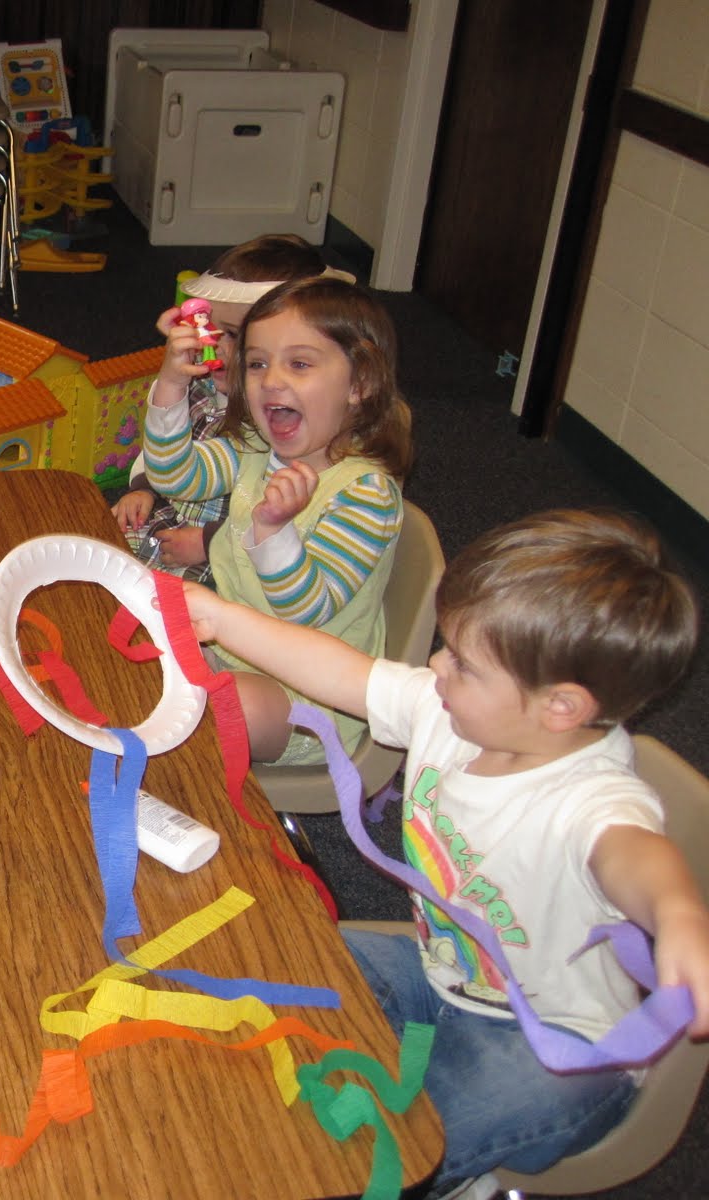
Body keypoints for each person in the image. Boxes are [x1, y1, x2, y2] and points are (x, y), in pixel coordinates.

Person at [181, 508, 709, 1197]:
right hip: (439, 974)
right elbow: (341, 672)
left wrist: (678, 914)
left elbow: (633, 854)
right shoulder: (449, 711)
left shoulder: (593, 797)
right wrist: (224, 618)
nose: (435, 663)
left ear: (561, 708)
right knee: (286, 955)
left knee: (391, 1149)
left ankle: (450, 1176)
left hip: (554, 1045)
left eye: (463, 661)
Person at [139, 274, 413, 764]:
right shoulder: (254, 448)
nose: (270, 380)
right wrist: (172, 386)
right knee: (137, 648)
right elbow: (173, 475)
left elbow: (304, 610)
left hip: (311, 699)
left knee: (219, 708)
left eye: (300, 363)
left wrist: (273, 532)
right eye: (258, 363)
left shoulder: (366, 493)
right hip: (230, 649)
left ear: (361, 384)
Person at [111, 233, 352, 587]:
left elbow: (287, 521)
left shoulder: (283, 427)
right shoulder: (202, 384)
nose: (216, 346)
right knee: (95, 550)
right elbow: (167, 459)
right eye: (210, 328)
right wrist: (145, 486)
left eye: (236, 335)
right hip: (170, 517)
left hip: (225, 557)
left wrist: (210, 541)